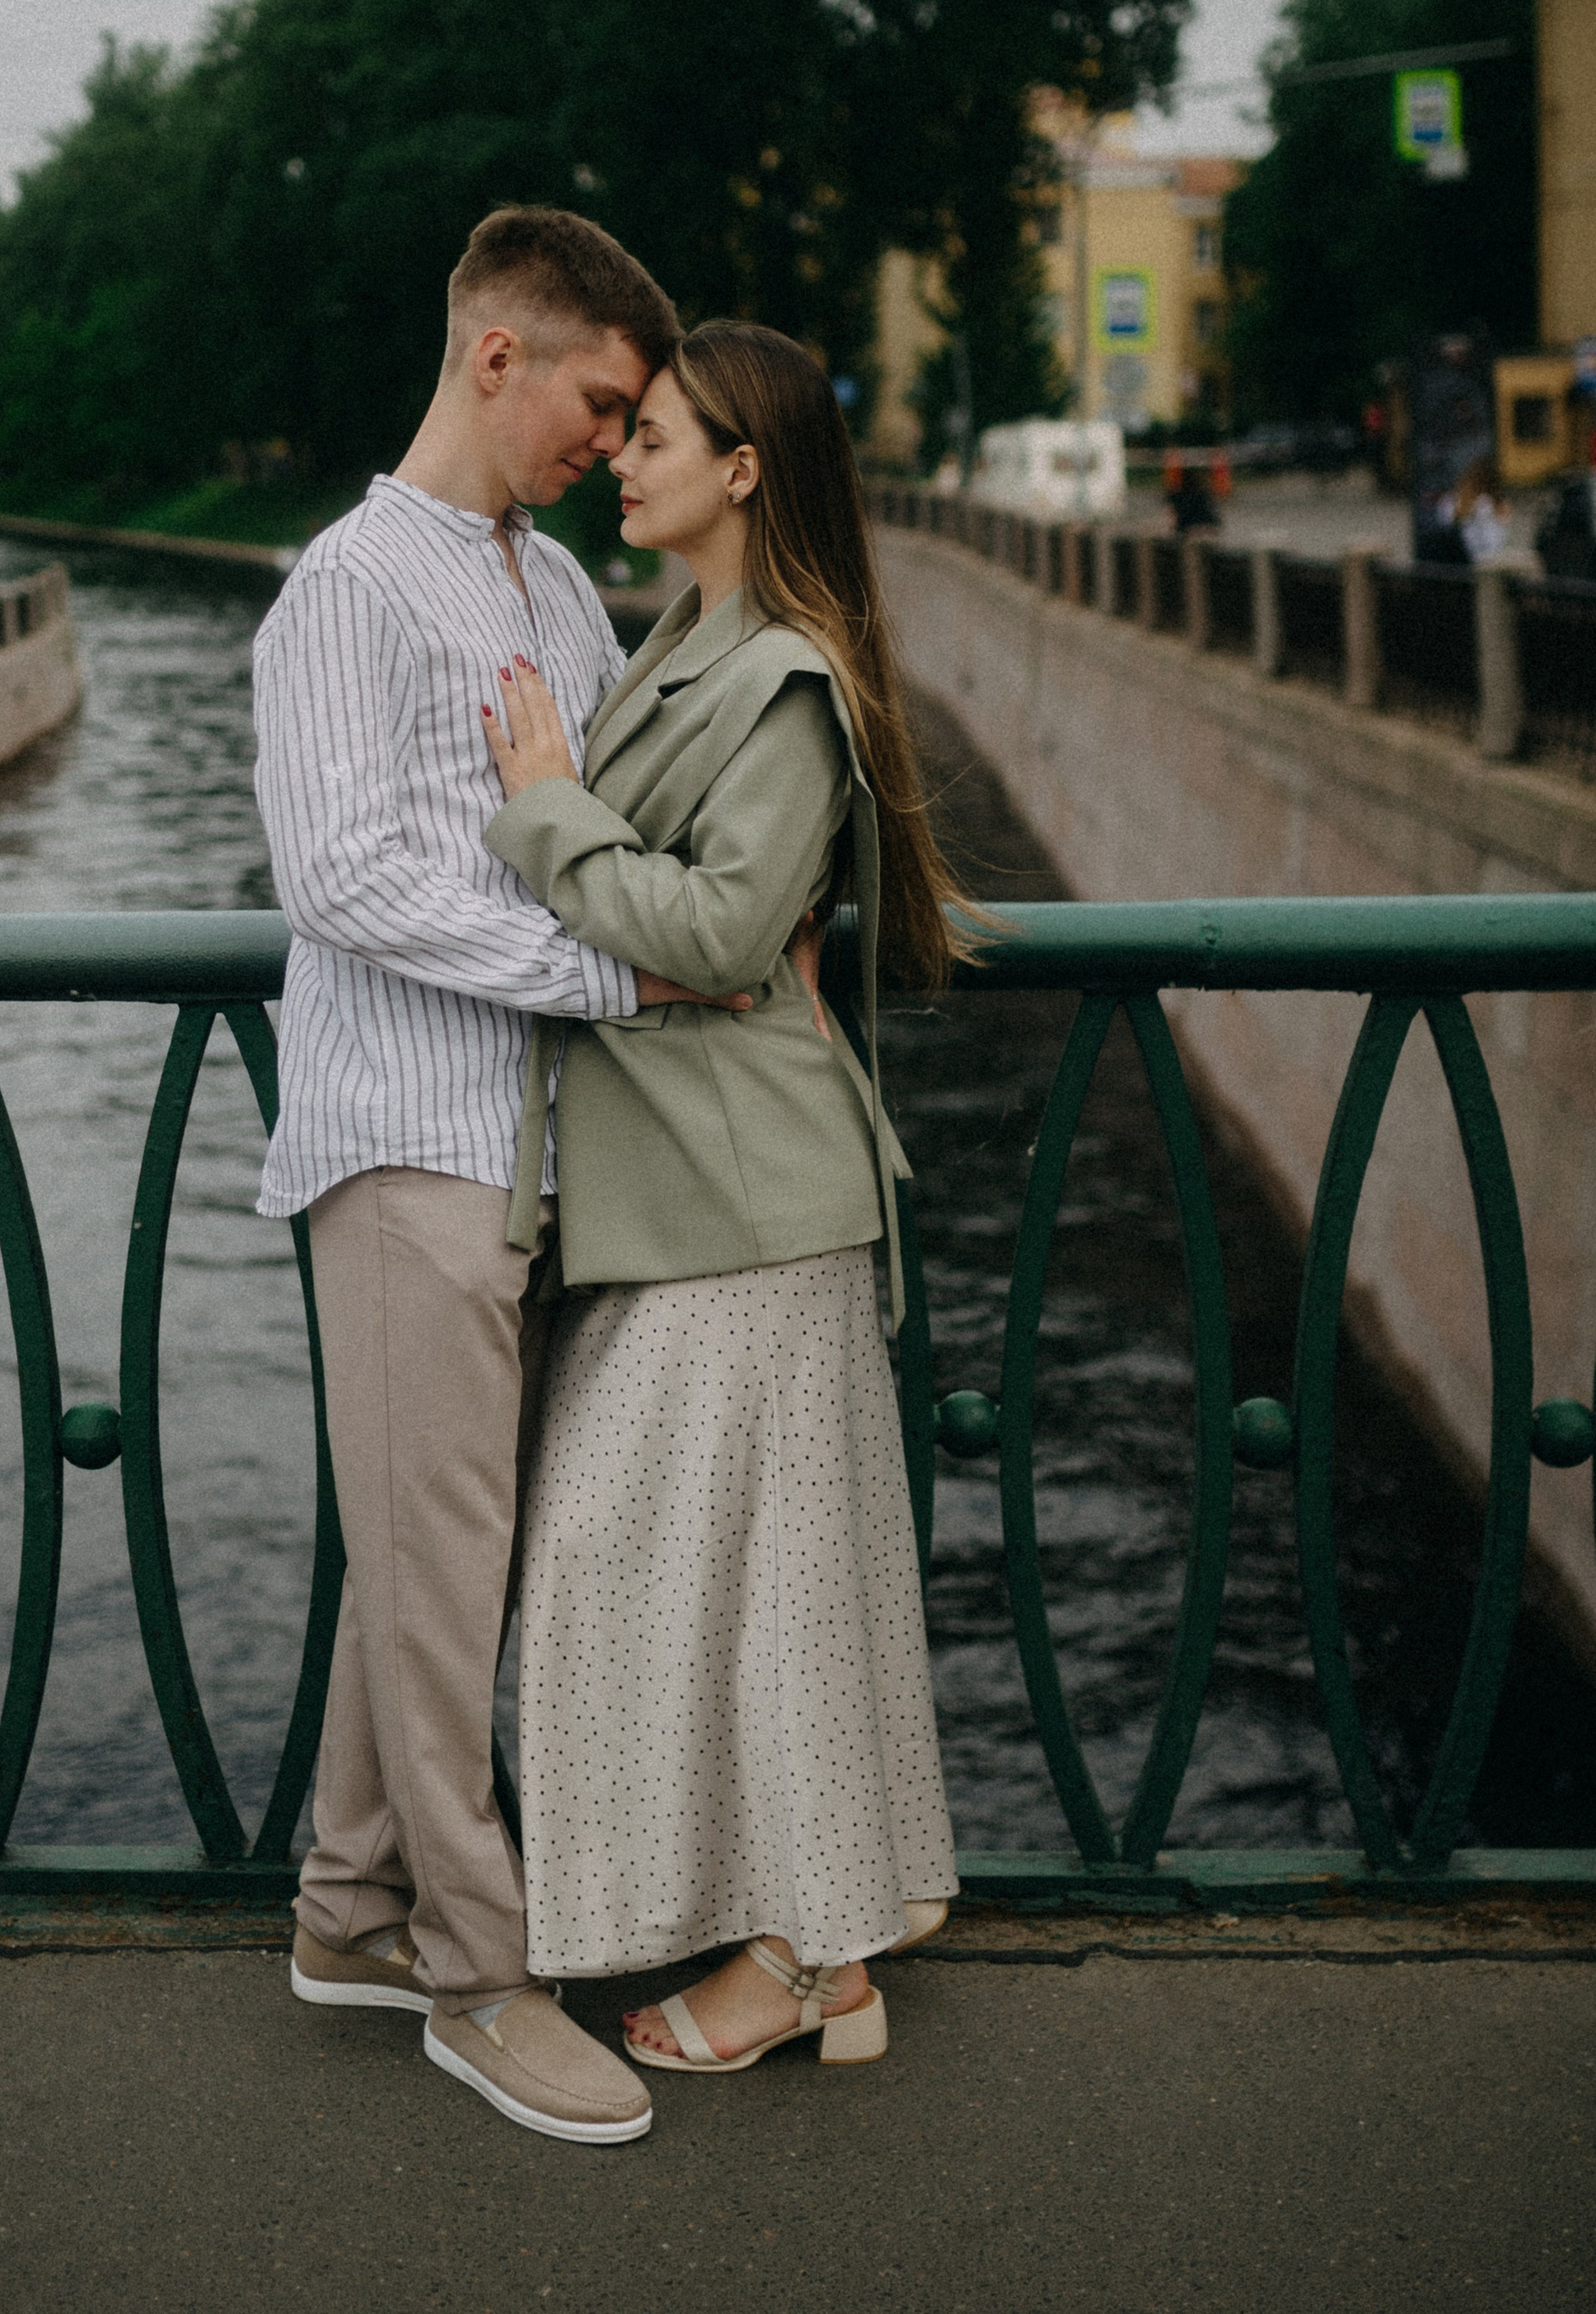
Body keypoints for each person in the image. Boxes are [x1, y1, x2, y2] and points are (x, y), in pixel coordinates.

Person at [255, 207, 747, 2148]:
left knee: (436, 1560)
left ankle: (347, 1908)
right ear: (494, 357)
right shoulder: (345, 584)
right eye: (598, 403)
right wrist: (608, 973)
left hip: (539, 1150)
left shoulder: (552, 590)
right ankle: (477, 1977)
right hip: (410, 1146)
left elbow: (599, 822)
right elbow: (340, 877)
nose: (610, 443)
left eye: (633, 420)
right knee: (443, 1572)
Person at [480, 319, 965, 2078]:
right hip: (693, 1188)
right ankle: (828, 1926)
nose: (623, 455)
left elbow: (722, 928)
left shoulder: (784, 680)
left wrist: (546, 812)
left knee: (681, 1577)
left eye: (658, 435)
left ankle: (811, 1963)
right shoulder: (687, 643)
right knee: (746, 1587)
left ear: (744, 469)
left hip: (746, 1196)